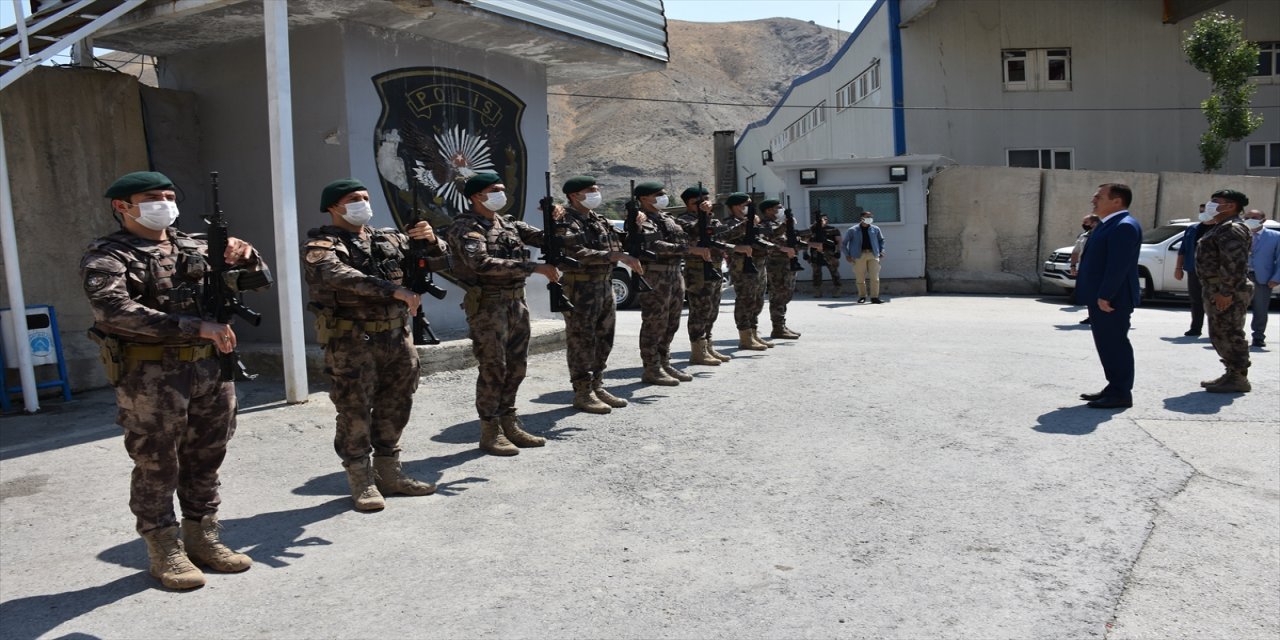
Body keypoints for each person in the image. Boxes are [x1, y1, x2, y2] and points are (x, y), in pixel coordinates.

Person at [81, 171, 270, 589]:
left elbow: (258, 282)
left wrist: (248, 255)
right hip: (150, 376)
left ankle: (202, 536)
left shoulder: (197, 245)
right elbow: (113, 310)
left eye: (169, 195)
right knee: (156, 460)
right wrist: (192, 327)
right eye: (152, 197)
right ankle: (163, 547)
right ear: (122, 207)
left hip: (210, 369)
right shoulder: (109, 255)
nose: (164, 203)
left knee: (208, 453)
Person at [303, 178, 445, 511]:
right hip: (352, 340)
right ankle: (361, 481)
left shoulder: (390, 238)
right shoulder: (322, 244)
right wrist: (392, 290)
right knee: (354, 409)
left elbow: (442, 262)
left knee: (397, 403)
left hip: (396, 336)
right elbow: (335, 274)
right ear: (333, 206)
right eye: (354, 199)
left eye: (365, 197)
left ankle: (390, 473)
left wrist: (432, 240)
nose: (362, 204)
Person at [445, 172, 561, 455]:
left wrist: (557, 217)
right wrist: (534, 268)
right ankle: (490, 431)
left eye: (501, 188)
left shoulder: (508, 224)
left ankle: (509, 421)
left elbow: (549, 239)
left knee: (517, 366)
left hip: (515, 304)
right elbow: (480, 263)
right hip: (489, 306)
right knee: (493, 368)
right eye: (493, 189)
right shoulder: (466, 227)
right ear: (476, 196)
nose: (500, 193)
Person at [555, 176, 643, 412]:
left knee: (604, 338)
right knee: (581, 340)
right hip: (579, 287)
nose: (596, 193)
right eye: (590, 190)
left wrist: (635, 225)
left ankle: (597, 384)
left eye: (596, 189)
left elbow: (618, 243)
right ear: (574, 195)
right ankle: (582, 392)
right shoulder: (564, 220)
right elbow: (575, 251)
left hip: (604, 284)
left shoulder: (598, 220)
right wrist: (613, 257)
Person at [1075, 183, 1142, 409]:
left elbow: (1118, 266)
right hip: (1103, 297)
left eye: (1099, 196)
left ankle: (1121, 392)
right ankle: (1114, 386)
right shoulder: (1108, 224)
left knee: (1115, 344)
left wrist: (1105, 295)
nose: (1094, 199)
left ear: (1116, 201)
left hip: (1113, 299)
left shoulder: (1124, 226)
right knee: (1106, 344)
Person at [633, 181, 706, 384]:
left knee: (671, 323)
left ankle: (664, 363)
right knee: (654, 323)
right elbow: (653, 244)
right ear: (644, 198)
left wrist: (703, 215)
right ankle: (651, 368)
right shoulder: (639, 218)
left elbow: (690, 234)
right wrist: (688, 250)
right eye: (658, 194)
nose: (663, 197)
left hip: (675, 274)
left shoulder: (666, 218)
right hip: (656, 276)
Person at [674, 186, 744, 366]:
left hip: (714, 266)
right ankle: (697, 351)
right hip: (697, 269)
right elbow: (693, 231)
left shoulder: (712, 219)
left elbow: (724, 237)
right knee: (700, 310)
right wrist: (704, 216)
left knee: (712, 309)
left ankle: (708, 345)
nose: (704, 203)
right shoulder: (682, 220)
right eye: (697, 202)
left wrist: (745, 224)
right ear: (689, 204)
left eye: (705, 199)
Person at [1195, 190, 1254, 393]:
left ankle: (1238, 377)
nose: (1210, 205)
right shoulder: (1220, 227)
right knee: (1219, 332)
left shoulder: (1232, 228)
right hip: (1216, 287)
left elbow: (1235, 263)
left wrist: (1226, 292)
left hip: (1227, 289)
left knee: (1230, 332)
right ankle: (1231, 372)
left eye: (1215, 202)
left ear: (1230, 206)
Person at [721, 193, 771, 350]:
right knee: (746, 299)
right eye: (746, 204)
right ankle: (745, 337)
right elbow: (726, 238)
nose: (749, 207)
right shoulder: (729, 222)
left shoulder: (753, 221)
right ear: (736, 206)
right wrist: (746, 223)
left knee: (758, 299)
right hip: (742, 265)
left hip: (758, 264)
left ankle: (753, 333)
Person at [758, 199, 802, 339]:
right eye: (778, 207)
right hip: (776, 264)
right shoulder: (764, 224)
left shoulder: (778, 224)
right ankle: (777, 328)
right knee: (778, 295)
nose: (780, 210)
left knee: (785, 294)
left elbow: (789, 239)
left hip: (787, 263)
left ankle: (781, 325)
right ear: (769, 210)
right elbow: (771, 236)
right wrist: (785, 224)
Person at [1173, 203, 1216, 337]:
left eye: (1205, 211)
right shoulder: (1192, 229)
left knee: (1213, 301)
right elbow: (1183, 250)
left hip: (1213, 272)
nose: (1202, 214)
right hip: (1194, 270)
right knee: (1196, 300)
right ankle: (1195, 328)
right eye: (1201, 211)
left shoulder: (1220, 229)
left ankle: (1215, 330)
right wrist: (1178, 268)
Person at [1243, 209, 1279, 348]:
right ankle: (1235, 336)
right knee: (1237, 308)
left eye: (1254, 217)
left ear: (1263, 220)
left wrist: (1276, 278)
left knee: (1261, 309)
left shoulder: (1275, 236)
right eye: (1247, 217)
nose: (1249, 219)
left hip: (1263, 277)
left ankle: (1258, 336)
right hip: (1240, 276)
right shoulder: (1238, 234)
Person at [842, 211, 886, 304]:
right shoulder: (852, 230)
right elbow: (844, 243)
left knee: (875, 277)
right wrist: (847, 255)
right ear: (862, 218)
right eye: (867, 216)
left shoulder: (875, 229)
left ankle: (875, 297)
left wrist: (882, 250)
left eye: (871, 216)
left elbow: (881, 240)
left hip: (873, 254)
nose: (870, 218)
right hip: (858, 255)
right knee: (860, 277)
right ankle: (862, 296)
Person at [808, 212, 842, 298]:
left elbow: (839, 241)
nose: (824, 221)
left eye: (825, 219)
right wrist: (806, 253)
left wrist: (838, 251)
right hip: (815, 253)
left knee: (834, 271)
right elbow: (806, 241)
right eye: (822, 219)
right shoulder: (812, 229)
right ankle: (817, 290)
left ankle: (837, 289)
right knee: (816, 272)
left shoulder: (833, 229)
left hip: (829, 253)